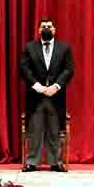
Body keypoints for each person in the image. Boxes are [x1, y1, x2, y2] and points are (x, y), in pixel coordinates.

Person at [20, 18, 75, 172]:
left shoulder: (64, 48)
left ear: (54, 29)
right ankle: (32, 162)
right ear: (39, 30)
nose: (46, 28)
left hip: (56, 96)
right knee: (34, 129)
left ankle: (55, 162)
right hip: (35, 96)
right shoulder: (29, 47)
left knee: (54, 129)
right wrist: (38, 86)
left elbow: (69, 69)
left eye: (49, 26)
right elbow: (24, 69)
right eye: (43, 26)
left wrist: (56, 86)